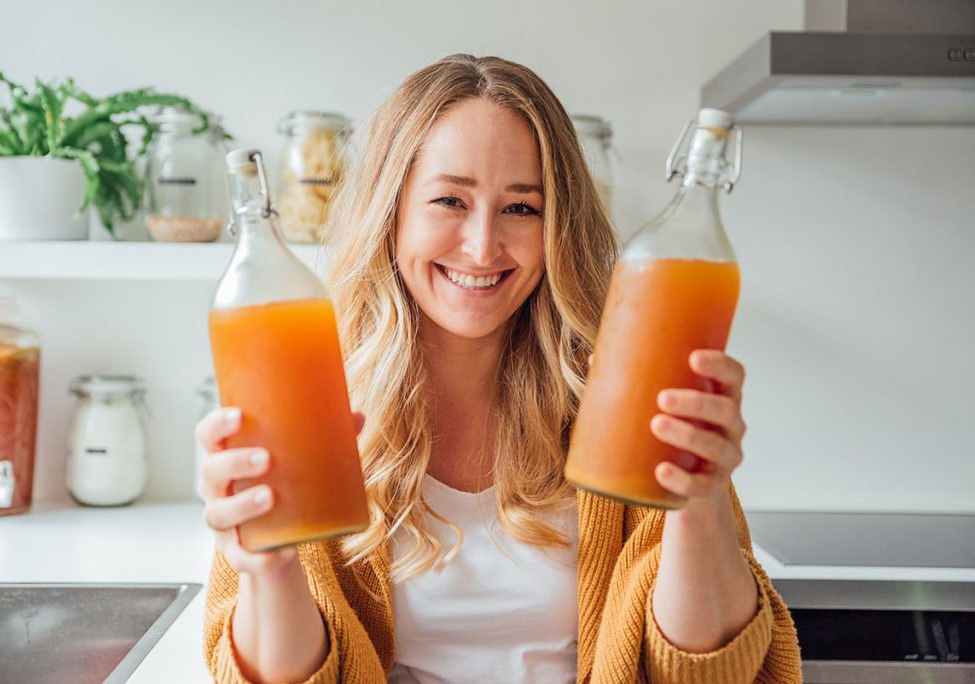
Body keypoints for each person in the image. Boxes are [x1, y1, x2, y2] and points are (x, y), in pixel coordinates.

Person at [199, 54, 803, 683]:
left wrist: (699, 508)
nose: (483, 246)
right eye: (449, 200)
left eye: (521, 208)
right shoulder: (308, 406)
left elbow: (708, 673)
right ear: (392, 211)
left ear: (558, 226)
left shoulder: (631, 402)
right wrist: (269, 570)